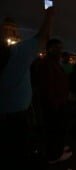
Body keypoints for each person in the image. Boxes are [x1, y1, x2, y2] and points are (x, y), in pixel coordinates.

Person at [0, 7, 54, 169]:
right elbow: (42, 37)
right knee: (19, 153)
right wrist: (49, 14)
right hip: (16, 118)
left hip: (10, 116)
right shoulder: (15, 56)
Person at [35, 39, 72, 164]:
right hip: (54, 104)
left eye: (61, 48)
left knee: (59, 128)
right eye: (57, 48)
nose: (60, 51)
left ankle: (59, 148)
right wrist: (54, 103)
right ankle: (54, 155)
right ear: (50, 49)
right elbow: (47, 86)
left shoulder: (55, 63)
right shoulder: (47, 64)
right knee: (54, 129)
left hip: (60, 101)